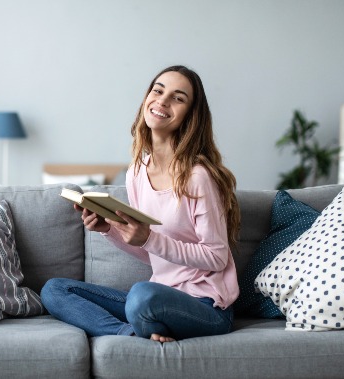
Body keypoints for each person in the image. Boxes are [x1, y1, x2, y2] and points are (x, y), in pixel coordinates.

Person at [40, 65, 240, 342]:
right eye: (158, 91)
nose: (162, 100)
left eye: (177, 98)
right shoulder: (137, 171)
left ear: (190, 116)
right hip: (158, 297)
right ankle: (131, 333)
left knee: (142, 295)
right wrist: (109, 230)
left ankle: (144, 325)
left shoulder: (198, 177)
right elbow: (152, 254)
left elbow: (217, 257)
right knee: (55, 290)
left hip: (204, 307)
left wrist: (150, 239)